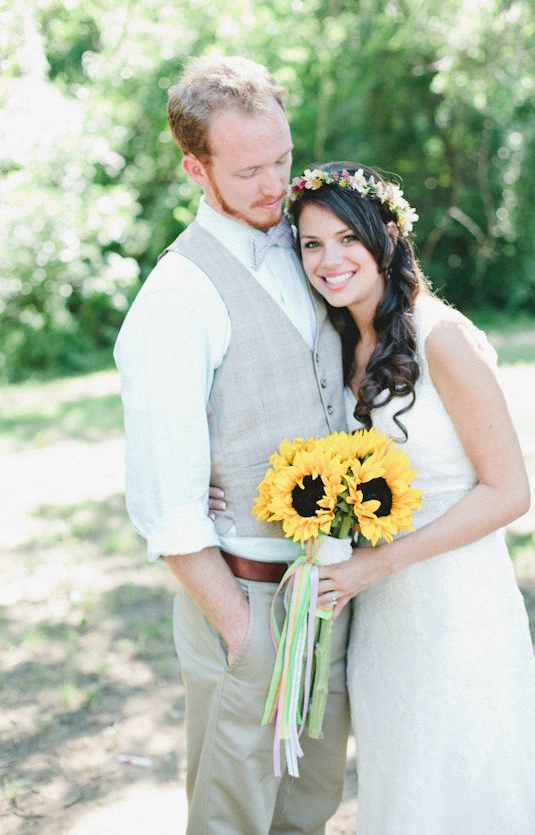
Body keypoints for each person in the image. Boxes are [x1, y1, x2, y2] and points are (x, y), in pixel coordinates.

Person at [286, 161, 535, 834]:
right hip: (381, 611)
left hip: (455, 597)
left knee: (470, 764)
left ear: (387, 236)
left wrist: (377, 563)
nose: (329, 260)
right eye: (312, 243)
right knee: (406, 773)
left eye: (347, 239)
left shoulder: (441, 337)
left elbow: (510, 490)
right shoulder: (338, 340)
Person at [114, 59, 350, 835]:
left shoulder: (311, 240)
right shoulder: (176, 298)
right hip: (243, 599)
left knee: (308, 809)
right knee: (233, 820)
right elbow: (166, 506)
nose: (273, 184)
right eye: (247, 170)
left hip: (326, 592)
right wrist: (245, 638)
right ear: (194, 166)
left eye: (282, 159)